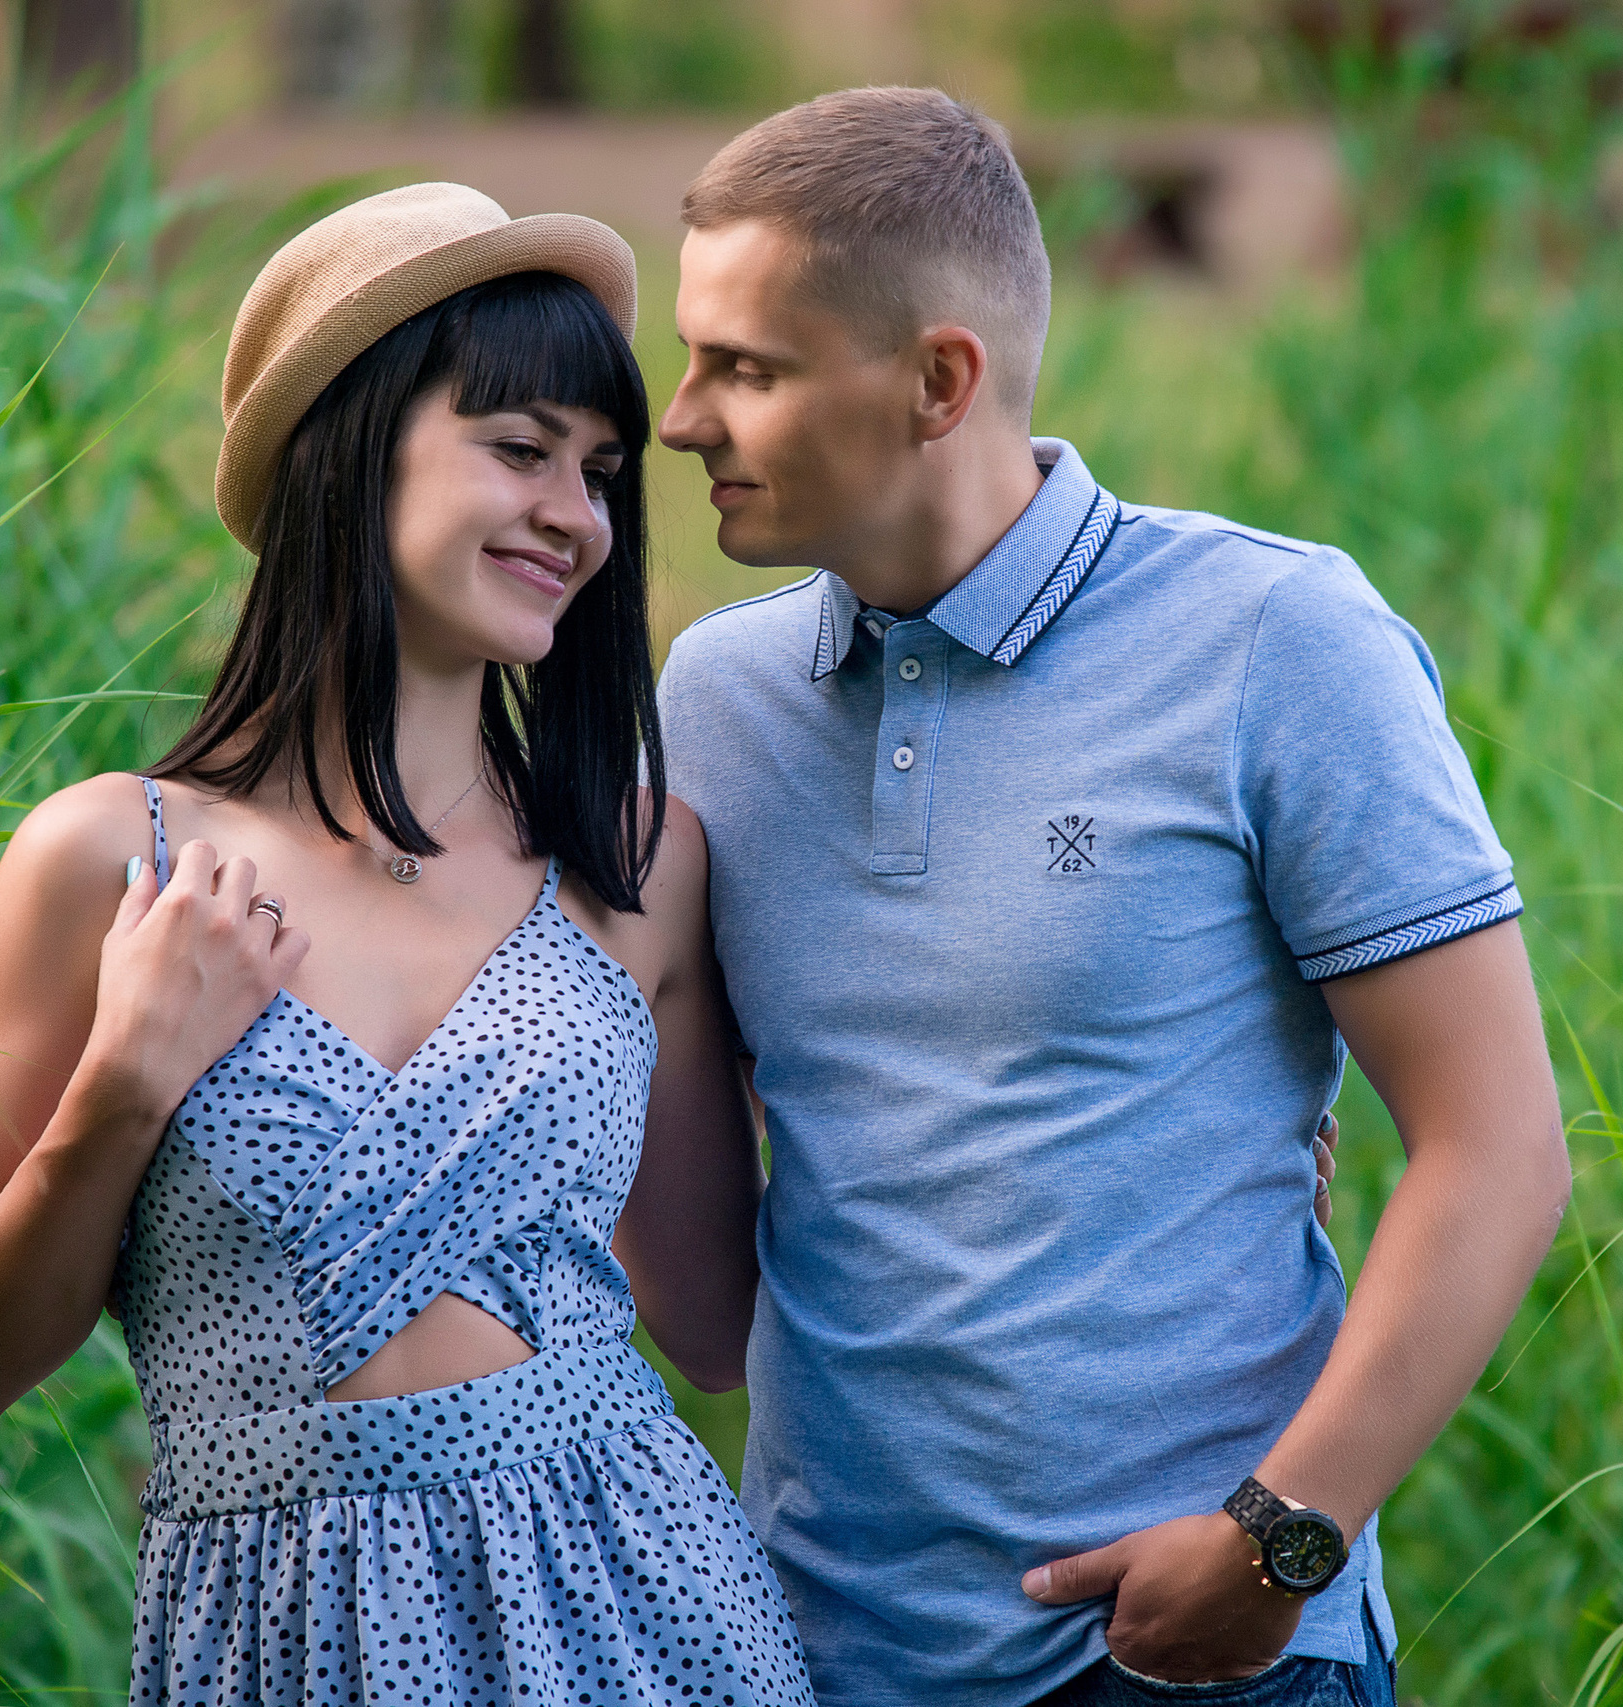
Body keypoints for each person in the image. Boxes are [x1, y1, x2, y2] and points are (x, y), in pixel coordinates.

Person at [652, 89, 1573, 1707]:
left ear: (939, 382)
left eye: (749, 368)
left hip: (1208, 1655)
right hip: (821, 1650)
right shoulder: (713, 701)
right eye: (691, 360)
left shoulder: (1277, 641)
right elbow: (708, 1312)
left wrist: (1279, 1541)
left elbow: (1498, 1147)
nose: (681, 420)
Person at [0, 184, 813, 1707]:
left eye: (599, 473)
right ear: (351, 446)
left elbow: (722, 1330)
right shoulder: (112, 862)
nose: (578, 516)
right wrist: (126, 1082)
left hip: (640, 1605)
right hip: (285, 1634)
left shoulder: (638, 863)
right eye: (519, 449)